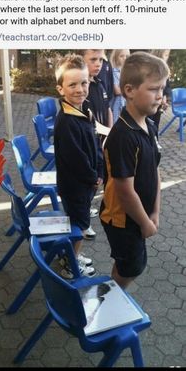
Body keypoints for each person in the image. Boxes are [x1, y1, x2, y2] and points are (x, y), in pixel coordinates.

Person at [100, 51, 170, 288]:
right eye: (153, 89)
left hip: (139, 216)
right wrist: (144, 222)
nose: (160, 96)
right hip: (122, 220)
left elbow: (155, 170)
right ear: (129, 91)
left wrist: (155, 212)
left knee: (127, 263)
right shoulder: (123, 136)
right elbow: (125, 191)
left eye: (162, 89)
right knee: (131, 267)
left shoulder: (149, 125)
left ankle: (113, 298)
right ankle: (112, 307)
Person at [54, 53, 104, 279]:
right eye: (72, 84)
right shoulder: (66, 121)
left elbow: (94, 146)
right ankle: (70, 265)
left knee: (78, 222)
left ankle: (71, 255)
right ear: (61, 89)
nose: (79, 89)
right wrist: (93, 176)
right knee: (80, 225)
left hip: (86, 183)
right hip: (75, 186)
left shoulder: (85, 110)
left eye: (83, 83)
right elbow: (76, 159)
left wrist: (100, 170)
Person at [80, 49, 113, 238]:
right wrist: (107, 132)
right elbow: (89, 119)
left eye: (100, 59)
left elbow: (107, 108)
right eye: (93, 59)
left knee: (97, 178)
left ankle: (87, 207)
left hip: (103, 139)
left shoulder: (99, 83)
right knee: (89, 179)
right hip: (90, 143)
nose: (98, 63)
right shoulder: (83, 88)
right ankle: (82, 220)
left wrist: (110, 130)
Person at [149, 49, 171, 130]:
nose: (167, 58)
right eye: (165, 55)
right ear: (158, 55)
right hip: (151, 102)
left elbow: (167, 86)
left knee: (156, 124)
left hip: (159, 104)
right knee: (149, 122)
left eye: (167, 55)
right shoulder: (150, 70)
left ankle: (155, 140)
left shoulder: (165, 70)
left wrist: (165, 96)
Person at [110, 49, 130, 123]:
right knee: (116, 122)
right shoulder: (113, 71)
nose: (125, 58)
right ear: (116, 57)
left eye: (127, 56)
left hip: (125, 102)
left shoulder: (127, 72)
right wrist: (129, 90)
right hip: (117, 103)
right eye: (121, 56)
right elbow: (117, 91)